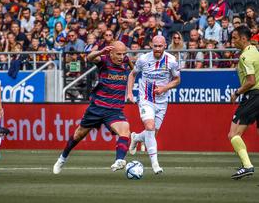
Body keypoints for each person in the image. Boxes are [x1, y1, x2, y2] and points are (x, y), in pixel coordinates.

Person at [53, 41, 134, 174]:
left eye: (124, 54)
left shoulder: (126, 61)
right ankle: (62, 158)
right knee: (78, 135)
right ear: (111, 53)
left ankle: (119, 160)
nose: (121, 57)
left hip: (114, 110)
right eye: (118, 54)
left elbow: (134, 72)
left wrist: (130, 91)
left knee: (125, 130)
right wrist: (101, 52)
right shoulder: (104, 60)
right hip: (97, 107)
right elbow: (89, 57)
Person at [127, 36, 181, 174]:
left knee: (152, 133)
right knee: (150, 127)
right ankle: (155, 165)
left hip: (162, 101)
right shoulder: (144, 59)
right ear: (151, 45)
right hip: (146, 98)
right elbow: (132, 75)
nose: (157, 49)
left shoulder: (172, 61)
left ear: (165, 46)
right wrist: (130, 94)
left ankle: (136, 137)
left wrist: (164, 88)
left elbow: (177, 80)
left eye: (160, 46)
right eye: (155, 46)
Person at [228, 25, 259, 180]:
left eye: (235, 38)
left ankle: (247, 166)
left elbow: (251, 81)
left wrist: (236, 92)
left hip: (253, 96)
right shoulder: (256, 52)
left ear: (244, 38)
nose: (232, 41)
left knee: (233, 134)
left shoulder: (245, 57)